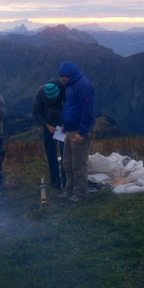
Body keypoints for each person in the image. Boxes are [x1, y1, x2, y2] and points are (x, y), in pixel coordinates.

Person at [56, 61, 95, 203]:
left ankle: (81, 193)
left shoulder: (83, 86)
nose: (62, 79)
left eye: (64, 76)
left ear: (70, 75)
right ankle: (69, 190)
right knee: (67, 163)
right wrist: (65, 124)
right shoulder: (70, 86)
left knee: (78, 164)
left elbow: (87, 111)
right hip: (69, 130)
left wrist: (82, 132)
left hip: (78, 131)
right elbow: (69, 106)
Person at [32, 80, 66, 190]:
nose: (53, 100)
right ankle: (55, 180)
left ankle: (66, 181)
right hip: (49, 127)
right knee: (51, 154)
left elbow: (69, 108)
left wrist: (66, 123)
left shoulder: (64, 91)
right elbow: (36, 112)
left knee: (65, 153)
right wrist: (47, 125)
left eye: (55, 98)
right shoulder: (40, 93)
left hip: (63, 127)